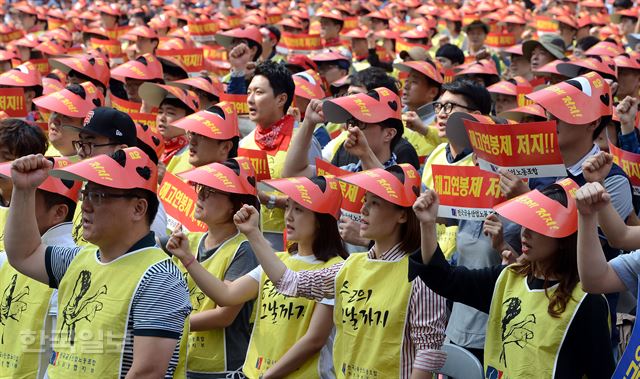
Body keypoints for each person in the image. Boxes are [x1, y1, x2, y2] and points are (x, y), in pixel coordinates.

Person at [232, 164, 448, 378]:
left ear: (402, 215)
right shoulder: (350, 265)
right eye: (365, 201)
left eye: (375, 203)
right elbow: (289, 282)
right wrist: (253, 233)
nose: (363, 210)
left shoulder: (422, 274)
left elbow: (428, 352)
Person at [4, 147, 191, 378]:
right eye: (86, 194)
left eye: (99, 196)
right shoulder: (79, 259)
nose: (86, 206)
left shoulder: (161, 278)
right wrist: (23, 191)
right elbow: (23, 254)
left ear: (138, 208)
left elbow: (147, 372)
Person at [410, 181, 615, 377]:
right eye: (525, 223)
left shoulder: (588, 301)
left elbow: (602, 372)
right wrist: (427, 224)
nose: (525, 233)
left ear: (564, 239)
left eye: (537, 226)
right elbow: (444, 279)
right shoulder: (508, 277)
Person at [168, 175, 348, 379]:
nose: (288, 216)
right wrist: (188, 258)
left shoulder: (337, 269)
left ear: (321, 219)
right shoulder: (277, 261)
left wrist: (268, 376)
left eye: (299, 209)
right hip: (254, 373)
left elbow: (314, 340)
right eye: (287, 206)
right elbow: (226, 295)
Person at [163, 158, 259, 378]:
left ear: (236, 205)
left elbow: (224, 316)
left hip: (221, 369)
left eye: (212, 191)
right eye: (201, 188)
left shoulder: (245, 249)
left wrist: (170, 324)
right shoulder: (189, 240)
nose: (201, 195)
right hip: (184, 359)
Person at [0, 157, 81, 379]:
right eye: (13, 198)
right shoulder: (6, 257)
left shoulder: (71, 264)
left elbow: (64, 351)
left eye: (25, 197)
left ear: (58, 212)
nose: (11, 208)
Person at [238, 61, 322, 250]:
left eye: (259, 93)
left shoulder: (303, 141)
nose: (250, 99)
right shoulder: (245, 143)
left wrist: (272, 200)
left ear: (281, 99)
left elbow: (319, 193)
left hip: (293, 243)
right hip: (253, 238)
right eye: (249, 92)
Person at [66, 106, 168, 244]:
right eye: (81, 143)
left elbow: (149, 253)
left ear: (121, 151)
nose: (81, 153)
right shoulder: (86, 186)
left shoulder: (142, 202)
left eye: (89, 144)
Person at [165, 103, 240, 176]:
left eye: (202, 136)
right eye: (193, 134)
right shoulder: (188, 178)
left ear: (225, 147)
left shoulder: (229, 186)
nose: (192, 142)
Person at [137, 82, 200, 167]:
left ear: (189, 119)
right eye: (160, 112)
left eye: (170, 113)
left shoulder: (193, 155)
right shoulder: (150, 147)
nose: (162, 118)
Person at [33, 82, 103, 157]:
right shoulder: (37, 152)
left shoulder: (95, 165)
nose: (55, 120)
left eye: (66, 116)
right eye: (55, 112)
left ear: (86, 128)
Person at [395, 60, 445, 163]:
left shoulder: (443, 121)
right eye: (407, 80)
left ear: (432, 92)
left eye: (414, 82)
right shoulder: (396, 117)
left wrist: (424, 130)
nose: (406, 86)